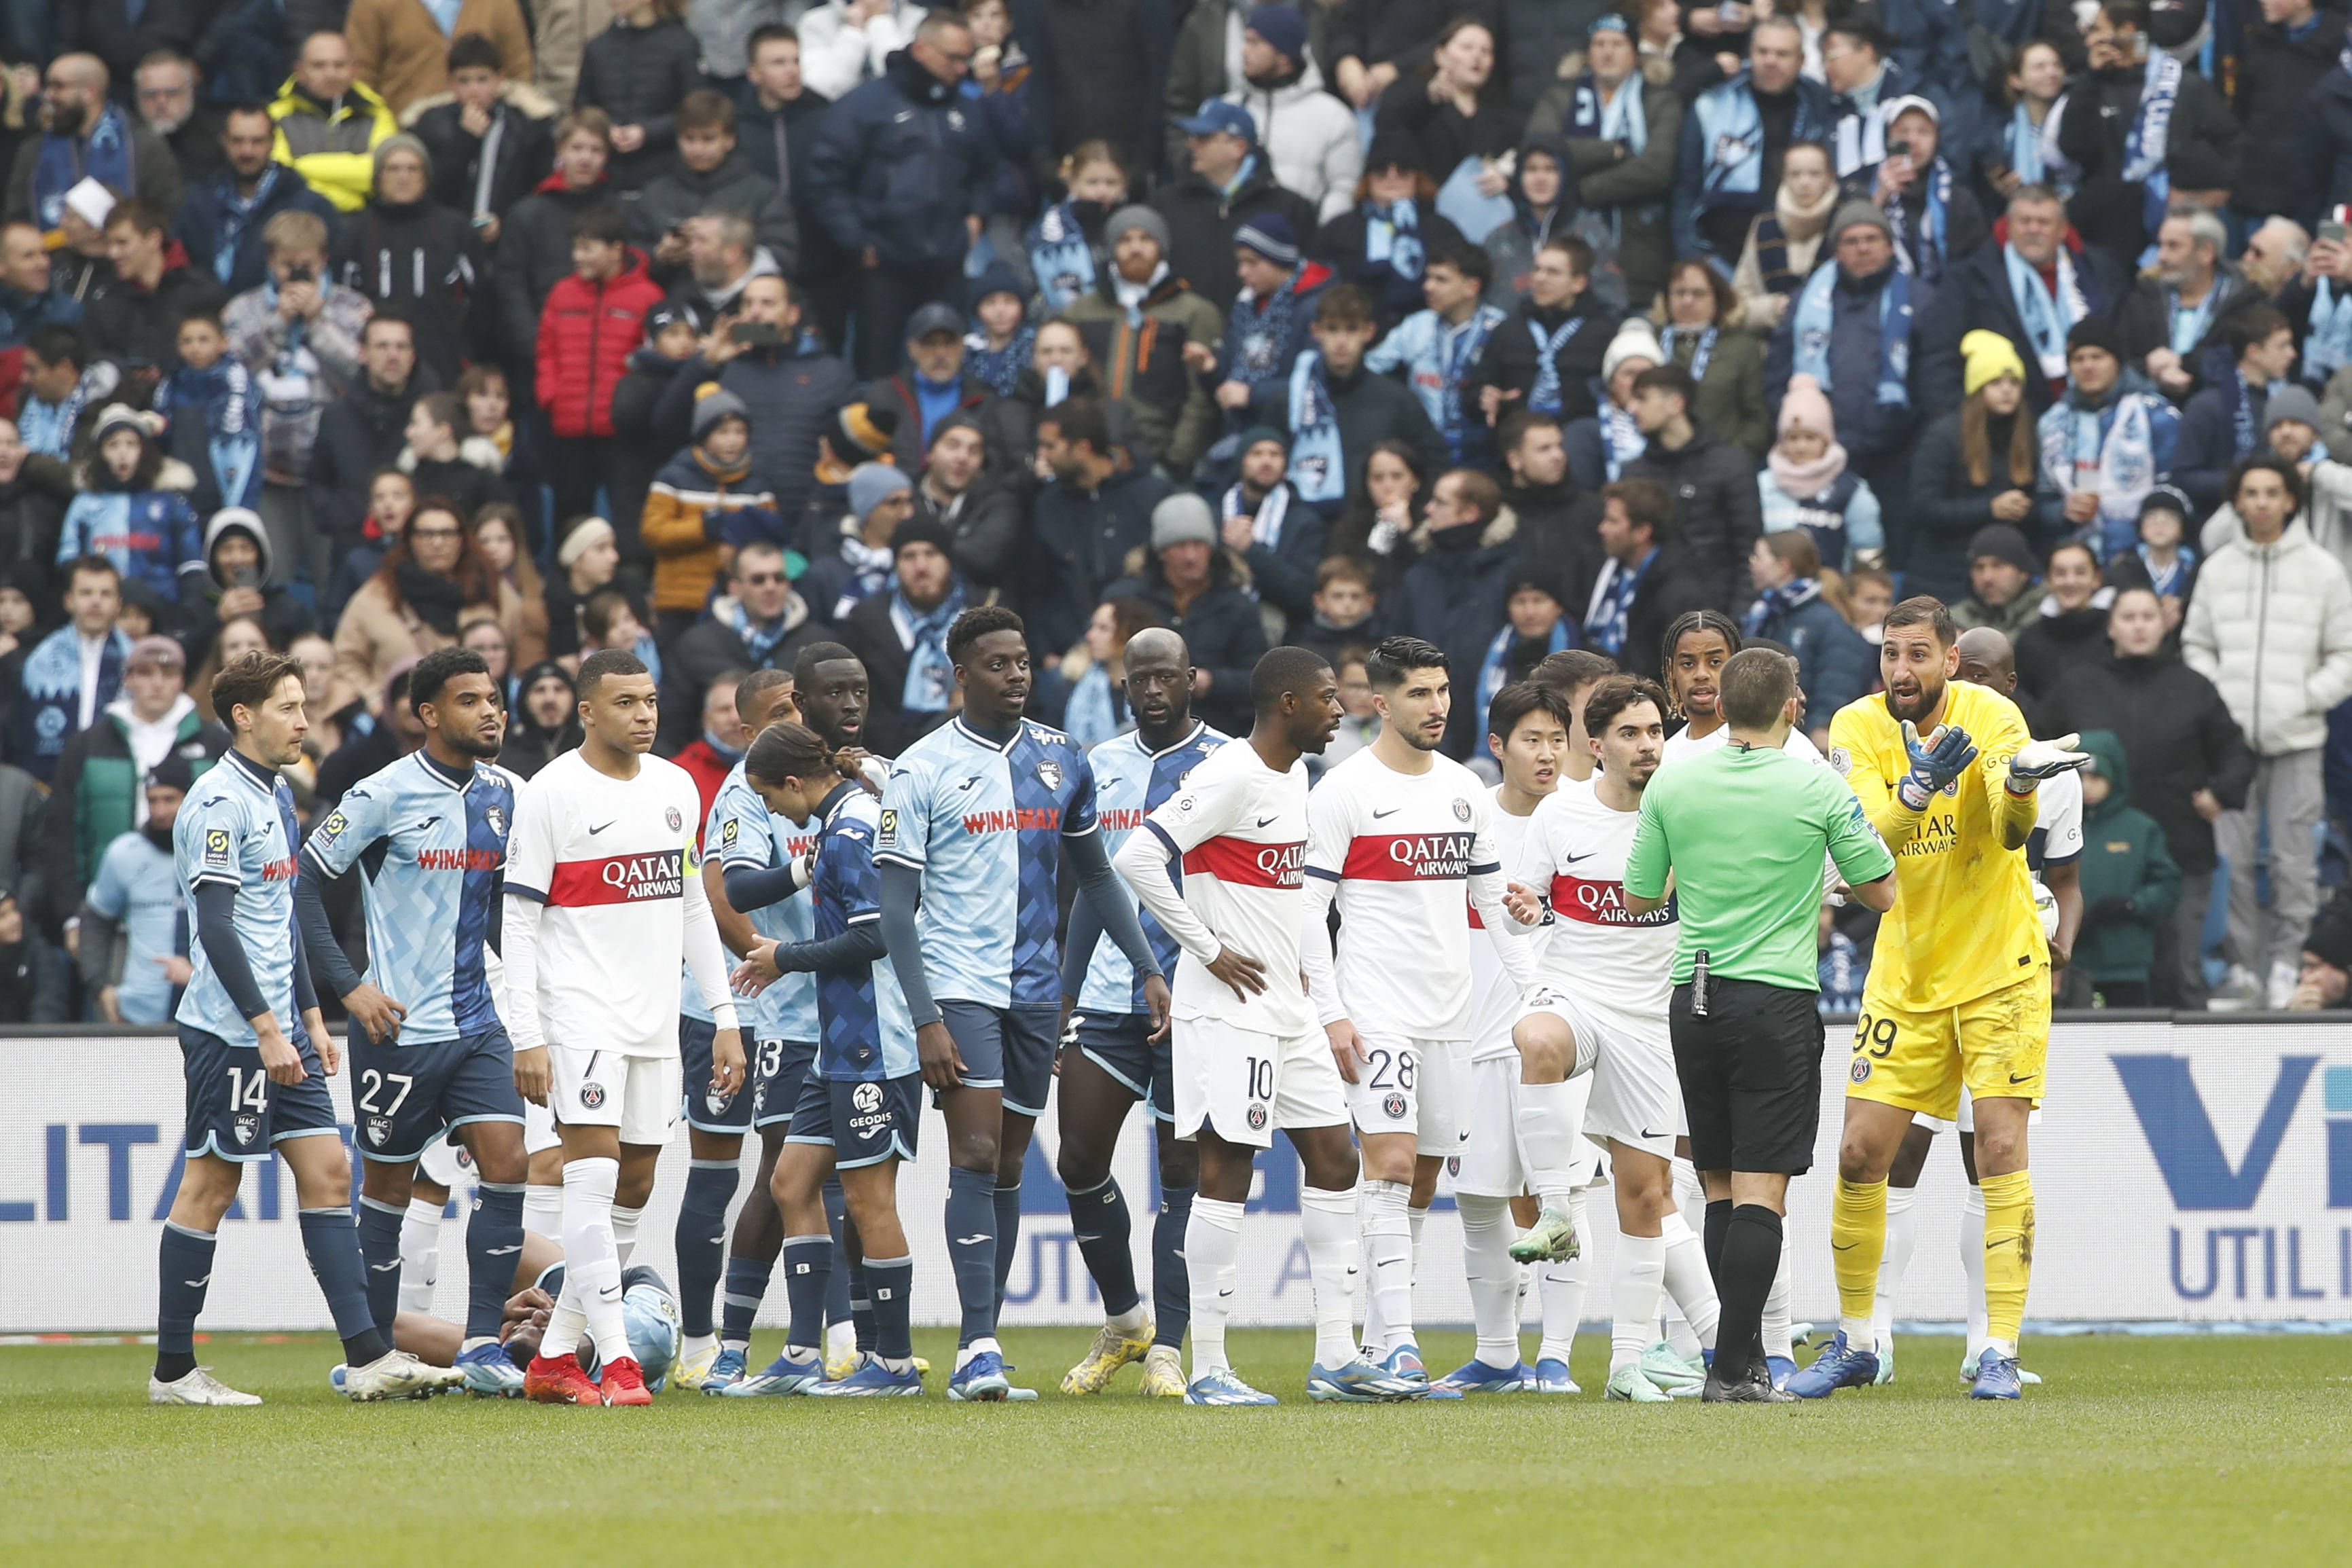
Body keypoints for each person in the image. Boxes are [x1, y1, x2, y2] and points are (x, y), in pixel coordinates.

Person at [1796, 598, 2086, 1402]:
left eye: (1917, 654)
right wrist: (1919, 788)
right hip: (1907, 971)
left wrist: (2021, 786)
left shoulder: (1992, 712)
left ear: (1951, 659)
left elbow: (2007, 832)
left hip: (2000, 967)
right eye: (1890, 653)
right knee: (1860, 1152)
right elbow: (1863, 844)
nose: (1901, 671)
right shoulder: (1855, 726)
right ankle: (1857, 1339)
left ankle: (1995, 1348)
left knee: (1997, 1149)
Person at [873, 605, 1165, 1400]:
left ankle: (985, 1340)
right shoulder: (920, 767)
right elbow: (895, 909)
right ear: (960, 674)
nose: (1016, 676)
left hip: (1038, 996)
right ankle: (977, 1346)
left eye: (1024, 661)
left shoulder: (1063, 758)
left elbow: (1098, 877)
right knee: (971, 1152)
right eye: (998, 664)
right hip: (959, 988)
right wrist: (926, 1015)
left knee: (1006, 1164)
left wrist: (1145, 967)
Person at [1115, 644, 1417, 1404]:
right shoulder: (1229, 774)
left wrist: (1323, 997)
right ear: (1288, 702)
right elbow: (1137, 857)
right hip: (1228, 1012)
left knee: (1335, 1156)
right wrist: (1208, 948)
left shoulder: (1293, 777)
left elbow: (1294, 902)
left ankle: (1335, 1355)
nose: (1337, 709)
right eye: (1325, 697)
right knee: (1226, 1171)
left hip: (1290, 1009)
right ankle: (1209, 1366)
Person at [152, 649, 449, 1405]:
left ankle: (368, 1358)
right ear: (245, 715)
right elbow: (216, 928)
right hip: (232, 1032)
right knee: (211, 1186)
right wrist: (263, 1027)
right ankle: (174, 1372)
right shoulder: (219, 801)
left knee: (329, 1174)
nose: (304, 721)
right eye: (290, 707)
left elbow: (281, 915)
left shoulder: (279, 793)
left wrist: (312, 1017)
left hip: (285, 1029)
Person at [1625, 646, 1896, 1400]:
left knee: (1716, 1185)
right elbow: (1879, 889)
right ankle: (1728, 1370)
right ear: (1790, 704)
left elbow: (1643, 894)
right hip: (1773, 997)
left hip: (1693, 994)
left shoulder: (1674, 780)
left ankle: (1737, 1361)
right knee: (1761, 1191)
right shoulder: (1816, 781)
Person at [503, 649, 744, 1406]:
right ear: (586, 711)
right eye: (626, 702)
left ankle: (551, 1358)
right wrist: (527, 1031)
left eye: (650, 699)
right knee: (594, 1173)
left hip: (655, 1018)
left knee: (634, 1186)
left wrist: (725, 1014)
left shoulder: (677, 787)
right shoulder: (551, 792)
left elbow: (691, 906)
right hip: (580, 1012)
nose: (644, 714)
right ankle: (616, 1361)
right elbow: (517, 917)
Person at [1298, 635, 1538, 1389]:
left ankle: (1373, 1342)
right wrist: (1333, 1012)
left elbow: (1493, 906)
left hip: (1451, 1014)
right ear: (1381, 702)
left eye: (1443, 690)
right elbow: (1310, 910)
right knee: (1391, 1162)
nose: (1437, 705)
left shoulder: (1464, 789)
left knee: (1423, 1179)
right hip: (1376, 1006)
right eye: (1419, 693)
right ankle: (1398, 1339)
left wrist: (1536, 990)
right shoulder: (1343, 789)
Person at [291, 646, 531, 1395]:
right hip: (396, 1029)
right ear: (428, 714)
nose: (490, 711)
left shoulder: (509, 792)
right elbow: (303, 885)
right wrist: (350, 989)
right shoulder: (380, 793)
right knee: (388, 1192)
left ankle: (486, 1341)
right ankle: (374, 1354)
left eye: (493, 697)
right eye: (470, 700)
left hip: (477, 1020)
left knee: (509, 1165)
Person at [1495, 673, 1717, 1402]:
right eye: (1630, 732)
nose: (1647, 744)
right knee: (1536, 1037)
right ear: (1597, 746)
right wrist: (1529, 911)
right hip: (1577, 993)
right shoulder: (1559, 814)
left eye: (1655, 730)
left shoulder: (1687, 812)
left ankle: (1628, 1360)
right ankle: (1556, 1206)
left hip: (1651, 1019)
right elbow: (1526, 903)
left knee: (1645, 1192)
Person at [1051, 627, 1225, 1398]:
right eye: (1138, 680)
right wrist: (1066, 981)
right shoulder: (1099, 765)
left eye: (1165, 677)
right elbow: (1094, 880)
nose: (1152, 690)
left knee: (1181, 1168)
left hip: (1197, 994)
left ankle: (1171, 1350)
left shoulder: (1229, 762)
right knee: (1079, 1159)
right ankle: (1126, 1320)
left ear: (1193, 678)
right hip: (1108, 998)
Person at [2184, 456, 2352, 1007]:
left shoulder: (2323, 569)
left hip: (2299, 739)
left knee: (2294, 861)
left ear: (2289, 500)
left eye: (2271, 492)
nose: (2259, 501)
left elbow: (2344, 654)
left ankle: (2288, 963)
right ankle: (2240, 970)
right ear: (2236, 499)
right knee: (2229, 861)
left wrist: (2304, 698)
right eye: (2249, 491)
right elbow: (2196, 645)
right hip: (2229, 747)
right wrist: (2219, 704)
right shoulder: (2216, 568)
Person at [2038, 585, 2254, 1008]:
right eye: (2128, 617)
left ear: (2164, 624)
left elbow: (2236, 752)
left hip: (2180, 850)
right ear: (2111, 626)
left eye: (2148, 617)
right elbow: (2033, 745)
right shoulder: (2078, 685)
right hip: (2091, 854)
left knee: (2183, 974)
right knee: (2087, 978)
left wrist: (2221, 793)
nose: (2138, 627)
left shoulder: (2193, 686)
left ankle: (2201, 1070)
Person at [804, 10, 992, 379]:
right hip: (883, 262)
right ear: (921, 49)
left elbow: (986, 172)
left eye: (966, 59)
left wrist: (975, 218)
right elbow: (825, 176)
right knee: (878, 371)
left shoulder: (967, 111)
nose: (961, 69)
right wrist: (856, 241)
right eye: (952, 58)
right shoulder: (866, 104)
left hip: (946, 261)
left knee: (947, 368)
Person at [1766, 200, 1953, 545]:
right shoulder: (1807, 302)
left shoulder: (1921, 300)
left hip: (1899, 458)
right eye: (1851, 241)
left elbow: (1938, 385)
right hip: (1819, 461)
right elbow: (1778, 373)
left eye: (1872, 238)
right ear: (1836, 250)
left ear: (1889, 245)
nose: (1862, 248)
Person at [39, 631, 227, 932]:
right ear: (127, 679)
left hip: (193, 915)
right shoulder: (87, 745)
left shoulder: (215, 743)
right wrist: (72, 915)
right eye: (145, 672)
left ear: (182, 680)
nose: (157, 683)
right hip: (105, 916)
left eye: (168, 673)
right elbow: (61, 833)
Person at [651, 274, 854, 535]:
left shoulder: (830, 372)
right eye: (747, 305)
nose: (755, 313)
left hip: (809, 519)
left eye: (767, 304)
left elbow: (849, 453)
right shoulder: (723, 368)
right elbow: (666, 425)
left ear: (792, 315)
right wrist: (706, 362)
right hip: (736, 518)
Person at [2052, 0, 2239, 271]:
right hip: (2105, 239)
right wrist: (2090, 78)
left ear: (2126, 30)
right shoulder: (2094, 86)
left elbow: (2232, 149)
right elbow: (2071, 146)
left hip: (2169, 240)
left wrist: (2207, 197)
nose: (2089, 38)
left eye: (2098, 29)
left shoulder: (2185, 86)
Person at [1248, 284, 1447, 518]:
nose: (1341, 341)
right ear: (1316, 331)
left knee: (1384, 548)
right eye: (1332, 330)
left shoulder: (1397, 400)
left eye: (1352, 330)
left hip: (1379, 526)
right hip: (1304, 526)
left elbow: (1436, 461)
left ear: (1369, 332)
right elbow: (1261, 460)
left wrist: (1412, 511)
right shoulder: (1289, 401)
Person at [1527, 15, 1680, 314]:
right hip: (1568, 245)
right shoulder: (1560, 97)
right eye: (1599, 44)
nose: (1607, 52)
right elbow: (1542, 152)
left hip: (1640, 252)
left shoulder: (1659, 99)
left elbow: (1657, 169)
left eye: (1617, 44)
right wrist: (1613, 151)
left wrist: (1582, 187)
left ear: (1635, 54)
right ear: (1586, 54)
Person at [1062, 206, 1224, 481]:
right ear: (1112, 249)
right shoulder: (1079, 313)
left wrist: (1176, 459)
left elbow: (1201, 396)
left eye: (1146, 239)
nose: (1135, 248)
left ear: (1161, 247)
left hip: (1161, 458)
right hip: (1091, 456)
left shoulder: (1193, 312)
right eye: (1125, 240)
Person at [328, 499, 523, 717]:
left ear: (462, 539)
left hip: (482, 720)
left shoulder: (493, 589)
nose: (438, 543)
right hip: (406, 723)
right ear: (410, 540)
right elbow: (345, 659)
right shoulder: (377, 596)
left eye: (447, 533)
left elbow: (523, 651)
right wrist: (375, 698)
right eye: (426, 534)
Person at [1670, 18, 1835, 274]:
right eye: (1763, 52)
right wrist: (1693, 256)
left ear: (1801, 60)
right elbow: (1685, 189)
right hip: (1719, 255)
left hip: (1802, 252)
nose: (1771, 61)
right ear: (1750, 54)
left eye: (1782, 54)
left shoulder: (1820, 105)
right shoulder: (1712, 104)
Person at [536, 202, 663, 529]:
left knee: (626, 514)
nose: (577, 257)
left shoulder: (648, 296)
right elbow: (546, 349)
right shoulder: (562, 293)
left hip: (622, 431)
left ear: (615, 249)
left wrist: (632, 407)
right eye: (575, 248)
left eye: (587, 248)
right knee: (570, 516)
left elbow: (653, 361)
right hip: (569, 425)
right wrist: (551, 394)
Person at [1392, 468, 1521, 757]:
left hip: (1494, 723)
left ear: (1470, 512)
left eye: (1440, 502)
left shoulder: (1509, 572)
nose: (1428, 509)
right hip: (1427, 720)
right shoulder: (1419, 575)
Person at [1907, 335, 2040, 606]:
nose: (2007, 390)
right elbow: (1924, 506)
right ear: (1977, 390)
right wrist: (1990, 509)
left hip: (1999, 583)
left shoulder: (2026, 436)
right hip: (1941, 575)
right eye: (1996, 383)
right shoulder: (1944, 436)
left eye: (2014, 383)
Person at [1159, 98, 1319, 319]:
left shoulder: (1289, 208)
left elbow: (1306, 279)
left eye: (1204, 138)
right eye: (1192, 137)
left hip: (1262, 335)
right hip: (1185, 335)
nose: (1192, 145)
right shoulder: (1166, 203)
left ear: (1238, 147)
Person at [2035, 318, 2179, 562]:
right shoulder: (2052, 423)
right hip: (2072, 557)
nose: (2088, 366)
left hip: (2143, 553)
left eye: (2097, 356)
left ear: (2118, 363)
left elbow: (2174, 491)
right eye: (2079, 359)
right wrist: (2063, 512)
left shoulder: (2157, 416)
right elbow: (2042, 501)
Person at [494, 109, 615, 393]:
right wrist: (534, 344)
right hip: (541, 358)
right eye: (577, 148)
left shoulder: (618, 212)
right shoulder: (528, 214)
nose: (585, 159)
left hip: (604, 353)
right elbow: (510, 286)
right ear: (560, 151)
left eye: (596, 150)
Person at [1623, 363, 1762, 609]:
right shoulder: (1634, 472)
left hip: (1715, 614)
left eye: (1642, 399)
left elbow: (1747, 551)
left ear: (1675, 404)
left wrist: (1736, 621)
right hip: (1651, 616)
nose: (1631, 408)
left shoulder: (1730, 465)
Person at [307, 313, 429, 584]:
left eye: (401, 347)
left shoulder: (432, 415)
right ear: (363, 353)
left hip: (420, 555)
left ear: (413, 356)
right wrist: (342, 516)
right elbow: (317, 480)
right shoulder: (337, 415)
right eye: (382, 347)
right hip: (351, 553)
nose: (393, 355)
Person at [2062, 730, 2181, 1006]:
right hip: (2068, 964)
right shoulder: (2056, 823)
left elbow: (2169, 886)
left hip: (2125, 963)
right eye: (2080, 777)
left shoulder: (2140, 829)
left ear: (2115, 776)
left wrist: (2131, 905)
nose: (2087, 786)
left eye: (2097, 777)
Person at [8, 53, 183, 239]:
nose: (49, 95)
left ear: (90, 92)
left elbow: (166, 212)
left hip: (121, 260)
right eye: (48, 86)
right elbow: (16, 218)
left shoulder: (143, 145)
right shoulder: (34, 150)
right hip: (51, 263)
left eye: (58, 86)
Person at [1364, 244, 1508, 471]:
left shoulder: (1502, 328)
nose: (1428, 287)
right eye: (1428, 278)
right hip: (1425, 449)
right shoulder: (1416, 326)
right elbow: (1369, 369)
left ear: (1472, 287)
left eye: (1441, 280)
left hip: (1485, 450)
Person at [628, 90, 798, 279]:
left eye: (708, 139)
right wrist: (659, 256)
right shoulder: (655, 194)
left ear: (730, 140)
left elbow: (782, 257)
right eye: (689, 139)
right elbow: (628, 261)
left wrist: (721, 248)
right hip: (674, 300)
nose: (698, 150)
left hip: (743, 303)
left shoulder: (763, 194)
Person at [55, 404, 204, 615]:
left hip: (163, 610)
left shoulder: (170, 501)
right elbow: (68, 559)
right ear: (100, 453)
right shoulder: (85, 503)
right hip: (101, 612)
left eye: (131, 444)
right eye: (113, 445)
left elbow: (191, 564)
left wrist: (187, 612)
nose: (122, 453)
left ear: (144, 450)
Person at [77, 752, 192, 1026]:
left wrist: (200, 976)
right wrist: (100, 985)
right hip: (138, 1016)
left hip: (208, 1013)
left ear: (190, 798)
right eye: (152, 800)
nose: (160, 811)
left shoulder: (212, 853)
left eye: (170, 800)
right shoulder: (125, 853)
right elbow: (95, 919)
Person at [410, 33, 556, 241]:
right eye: (464, 81)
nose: (474, 90)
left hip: (507, 237)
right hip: (446, 235)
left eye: (482, 80)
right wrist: (466, 139)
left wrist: (505, 222)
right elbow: (434, 189)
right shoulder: (432, 124)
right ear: (450, 83)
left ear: (500, 80)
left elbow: (533, 190)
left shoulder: (523, 128)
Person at [1224, 4, 1359, 225]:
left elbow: (1344, 188)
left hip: (1302, 244)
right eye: (1245, 40)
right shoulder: (1227, 109)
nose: (1243, 50)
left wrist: (1319, 238)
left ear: (1284, 55)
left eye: (1254, 42)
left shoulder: (1332, 117)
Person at [1466, 235, 1619, 429]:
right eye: (1537, 270)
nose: (1540, 278)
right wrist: (1485, 398)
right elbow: (1473, 395)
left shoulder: (1605, 333)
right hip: (1516, 442)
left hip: (1578, 441)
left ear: (1579, 283)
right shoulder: (1508, 330)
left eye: (1553, 272)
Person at [2117, 206, 2256, 404]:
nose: (2161, 257)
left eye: (2173, 246)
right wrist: (2149, 367)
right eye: (2161, 245)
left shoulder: (2244, 302)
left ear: (2206, 252)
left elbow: (2240, 360)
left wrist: (2184, 365)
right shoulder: (2143, 297)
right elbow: (2120, 359)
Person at [1580, 477, 1712, 682]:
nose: (1602, 529)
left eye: (1612, 521)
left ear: (1642, 532)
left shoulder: (1679, 590)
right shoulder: (1606, 571)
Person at [2174, 307, 2300, 515]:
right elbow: (2184, 477)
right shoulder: (2207, 405)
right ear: (2254, 352)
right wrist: (2247, 482)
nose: (2292, 354)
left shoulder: (2283, 402)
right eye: (2282, 346)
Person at [86, 198, 224, 386]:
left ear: (154, 239)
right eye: (109, 244)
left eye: (122, 243)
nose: (113, 253)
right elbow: (95, 358)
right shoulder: (106, 301)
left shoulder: (202, 292)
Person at [17, 555, 130, 782]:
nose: (96, 601)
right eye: (86, 593)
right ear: (69, 600)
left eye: (105, 594)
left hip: (115, 777)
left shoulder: (134, 659)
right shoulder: (40, 660)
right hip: (50, 779)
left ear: (118, 604)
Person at [574, 0, 704, 194]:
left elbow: (695, 109)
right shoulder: (597, 47)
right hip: (607, 172)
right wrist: (606, 129)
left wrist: (647, 132)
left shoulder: (682, 44)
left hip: (664, 169)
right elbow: (583, 105)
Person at [1744, 531, 1872, 723]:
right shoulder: (1766, 614)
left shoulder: (1825, 620)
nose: (1752, 563)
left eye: (1758, 557)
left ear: (1783, 566)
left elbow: (1838, 682)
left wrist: (1822, 726)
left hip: (1804, 732)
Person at [1759, 372, 1883, 570]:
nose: (1801, 447)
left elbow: (1868, 554)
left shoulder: (1850, 490)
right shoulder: (1762, 485)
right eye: (1792, 438)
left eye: (1810, 438)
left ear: (1826, 441)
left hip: (1830, 593)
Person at [267, 31, 398, 216]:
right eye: (319, 66)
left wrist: (301, 165)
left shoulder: (377, 114)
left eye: (340, 65)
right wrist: (351, 189)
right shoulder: (276, 115)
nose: (331, 74)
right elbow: (278, 178)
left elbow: (383, 174)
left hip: (364, 222)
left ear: (354, 70)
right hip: (295, 219)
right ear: (300, 71)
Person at [1654, 259, 1767, 458]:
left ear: (1718, 299)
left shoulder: (1742, 348)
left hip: (1721, 466)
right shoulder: (1649, 341)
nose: (1687, 301)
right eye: (1680, 293)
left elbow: (1758, 419)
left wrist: (1730, 460)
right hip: (1659, 463)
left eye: (1698, 294)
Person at [344, 0, 530, 119]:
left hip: (487, 140)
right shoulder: (373, 5)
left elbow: (519, 71)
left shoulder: (499, 4)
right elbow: (362, 73)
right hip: (403, 139)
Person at [1730, 139, 1837, 333]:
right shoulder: (1764, 225)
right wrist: (1772, 308)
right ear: (1784, 178)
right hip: (1773, 342)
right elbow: (1737, 304)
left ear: (1830, 177)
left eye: (1815, 174)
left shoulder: (1844, 221)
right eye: (1795, 174)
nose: (1804, 183)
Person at [2012, 540, 2112, 704]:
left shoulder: (2116, 634)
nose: (2070, 582)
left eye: (2080, 572)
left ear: (2097, 578)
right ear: (2049, 580)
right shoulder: (2029, 640)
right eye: (2060, 573)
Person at [501, 659, 580, 778]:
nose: (550, 699)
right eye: (540, 690)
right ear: (524, 698)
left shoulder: (590, 747)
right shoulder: (504, 751)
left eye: (559, 689)